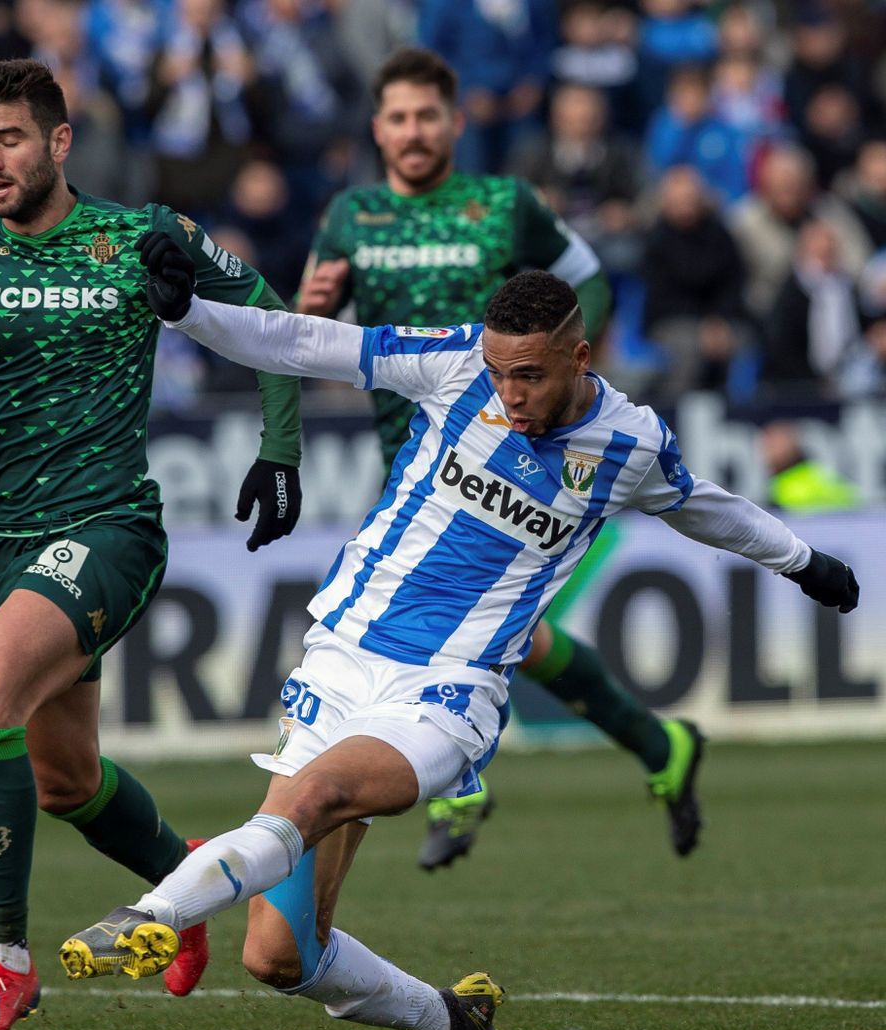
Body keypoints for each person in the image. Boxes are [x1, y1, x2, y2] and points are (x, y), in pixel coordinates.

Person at [61, 234, 860, 1030]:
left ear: (579, 356)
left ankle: (151, 915)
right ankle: (449, 1021)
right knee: (281, 955)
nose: (510, 394)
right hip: (340, 662)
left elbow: (707, 507)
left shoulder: (630, 443)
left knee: (320, 793)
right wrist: (188, 312)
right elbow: (302, 341)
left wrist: (803, 562)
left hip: (447, 691)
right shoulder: (453, 365)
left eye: (531, 376)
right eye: (500, 372)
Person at [0, 58, 305, 1030]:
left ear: (59, 141)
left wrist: (279, 447)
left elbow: (267, 317)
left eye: (9, 139)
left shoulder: (138, 234)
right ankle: (178, 882)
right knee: (62, 781)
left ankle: (1, 965)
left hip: (106, 529)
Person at [295, 46, 705, 870]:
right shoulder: (351, 217)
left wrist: (575, 383)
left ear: (457, 121)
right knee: (518, 633)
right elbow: (304, 330)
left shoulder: (502, 204)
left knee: (489, 625)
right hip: (406, 457)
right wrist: (310, 309)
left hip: (514, 448)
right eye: (399, 118)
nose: (414, 131)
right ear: (378, 129)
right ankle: (657, 745)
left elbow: (587, 277)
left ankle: (458, 779)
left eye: (428, 115)